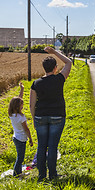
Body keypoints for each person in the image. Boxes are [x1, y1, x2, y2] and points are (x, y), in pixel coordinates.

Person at [30, 46, 72, 181]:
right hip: (57, 116)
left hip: (40, 117)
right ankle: (52, 175)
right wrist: (54, 52)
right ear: (55, 68)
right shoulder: (60, 79)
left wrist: (34, 120)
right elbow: (68, 62)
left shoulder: (36, 83)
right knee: (53, 146)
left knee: (41, 146)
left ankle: (41, 175)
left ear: (44, 68)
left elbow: (32, 104)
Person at [8, 82, 33, 177]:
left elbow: (17, 100)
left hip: (16, 137)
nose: (23, 106)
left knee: (20, 157)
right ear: (18, 107)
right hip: (21, 139)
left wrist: (22, 89)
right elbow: (26, 129)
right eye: (22, 105)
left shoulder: (12, 114)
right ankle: (16, 174)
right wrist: (30, 139)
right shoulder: (21, 117)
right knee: (20, 158)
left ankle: (18, 172)